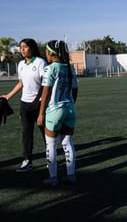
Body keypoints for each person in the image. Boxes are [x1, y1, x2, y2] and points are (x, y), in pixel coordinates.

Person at [36, 40, 78, 187]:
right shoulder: (70, 68)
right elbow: (75, 90)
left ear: (50, 53)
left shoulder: (50, 68)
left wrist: (41, 114)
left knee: (51, 145)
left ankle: (53, 178)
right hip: (70, 109)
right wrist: (70, 104)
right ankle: (71, 175)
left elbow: (45, 92)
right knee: (67, 143)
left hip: (54, 111)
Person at [1, 38, 47, 172]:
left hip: (39, 104)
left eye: (25, 47)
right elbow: (21, 83)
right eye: (21, 47)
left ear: (32, 48)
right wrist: (8, 96)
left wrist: (36, 101)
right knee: (27, 133)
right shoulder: (21, 64)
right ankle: (27, 161)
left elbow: (44, 85)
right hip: (25, 104)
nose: (22, 49)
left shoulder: (40, 62)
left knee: (45, 133)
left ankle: (51, 158)